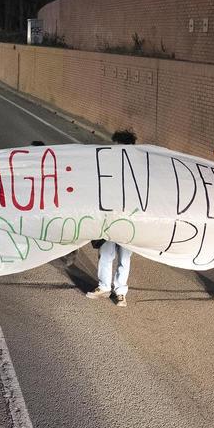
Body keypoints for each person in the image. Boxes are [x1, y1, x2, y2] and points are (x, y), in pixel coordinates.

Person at [85, 129, 138, 307]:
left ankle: (120, 291)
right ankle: (104, 286)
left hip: (129, 221)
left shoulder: (137, 170)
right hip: (109, 218)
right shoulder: (107, 165)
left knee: (124, 257)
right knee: (106, 253)